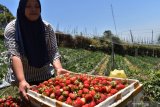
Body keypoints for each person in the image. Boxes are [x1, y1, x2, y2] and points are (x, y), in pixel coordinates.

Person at [4, 0, 70, 100]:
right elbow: (15, 54)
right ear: (22, 8)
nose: (33, 9)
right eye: (28, 6)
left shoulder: (47, 28)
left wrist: (58, 68)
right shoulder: (13, 28)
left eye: (36, 6)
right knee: (28, 102)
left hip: (44, 75)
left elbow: (53, 50)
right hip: (24, 77)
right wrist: (22, 80)